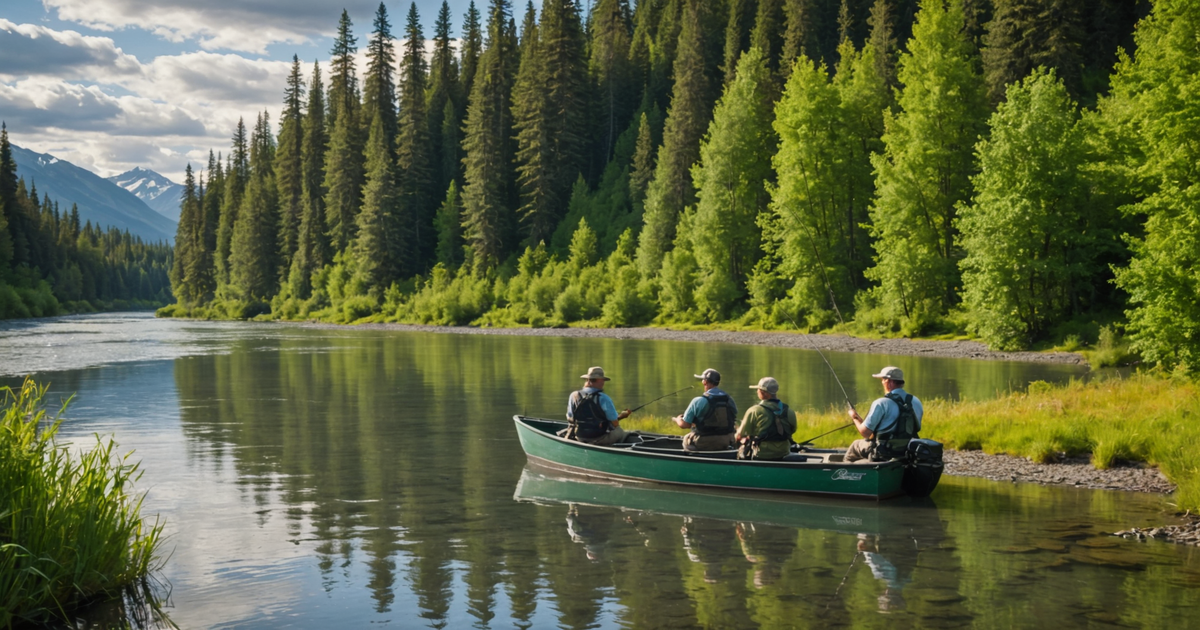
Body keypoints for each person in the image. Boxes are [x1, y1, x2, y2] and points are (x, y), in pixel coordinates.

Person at [845, 366, 924, 463]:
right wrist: (859, 419)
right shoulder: (916, 401)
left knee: (855, 445)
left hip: (883, 452)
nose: (882, 382)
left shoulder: (881, 403)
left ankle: (845, 474)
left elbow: (865, 433)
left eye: (883, 380)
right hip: (907, 450)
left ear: (889, 382)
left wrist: (853, 417)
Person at [672, 368, 738, 451]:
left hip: (704, 441)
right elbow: (732, 416)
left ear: (705, 382)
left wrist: (678, 419)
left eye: (702, 380)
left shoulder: (698, 401)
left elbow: (685, 425)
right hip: (726, 440)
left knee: (686, 440)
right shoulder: (729, 399)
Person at [566, 366, 631, 446]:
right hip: (599, 439)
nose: (603, 383)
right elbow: (615, 423)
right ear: (598, 380)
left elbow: (570, 417)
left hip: (579, 437)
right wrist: (622, 416)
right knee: (620, 431)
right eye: (602, 380)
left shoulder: (574, 395)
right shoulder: (604, 398)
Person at [735, 377, 798, 460]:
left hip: (762, 454)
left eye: (758, 389)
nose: (757, 391)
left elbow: (740, 435)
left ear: (763, 392)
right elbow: (792, 430)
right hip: (784, 452)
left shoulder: (754, 410)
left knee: (741, 448)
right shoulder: (789, 411)